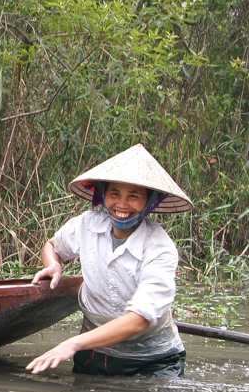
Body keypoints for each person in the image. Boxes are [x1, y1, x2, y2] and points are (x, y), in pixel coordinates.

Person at [27, 144, 192, 377]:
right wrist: (53, 265)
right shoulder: (86, 225)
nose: (122, 205)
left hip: (153, 360)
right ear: (103, 195)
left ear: (149, 202)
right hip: (94, 355)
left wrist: (73, 343)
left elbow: (138, 320)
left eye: (133, 196)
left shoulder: (159, 247)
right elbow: (53, 246)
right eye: (115, 194)